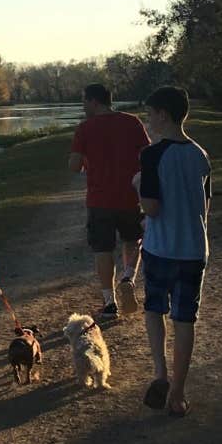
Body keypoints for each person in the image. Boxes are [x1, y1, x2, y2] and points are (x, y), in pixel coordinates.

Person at [135, 84, 211, 418]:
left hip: (160, 248)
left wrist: (138, 185)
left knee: (154, 310)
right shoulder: (200, 154)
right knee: (185, 319)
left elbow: (151, 208)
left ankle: (160, 374)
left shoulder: (152, 155)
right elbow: (205, 205)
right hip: (193, 249)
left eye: (149, 116)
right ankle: (178, 394)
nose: (147, 122)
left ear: (163, 115)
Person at [67, 82, 150, 323]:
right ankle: (128, 278)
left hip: (99, 200)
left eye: (83, 100)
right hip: (129, 197)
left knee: (102, 249)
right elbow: (147, 156)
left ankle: (109, 302)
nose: (82, 105)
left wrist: (83, 160)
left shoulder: (85, 128)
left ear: (94, 101)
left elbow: (74, 166)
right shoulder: (132, 122)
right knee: (132, 240)